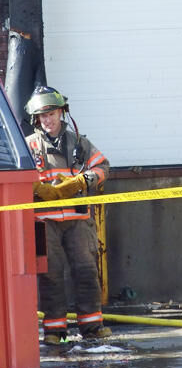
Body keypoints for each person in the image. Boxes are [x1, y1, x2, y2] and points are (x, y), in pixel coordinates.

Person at [24, 86, 111, 345]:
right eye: (42, 116)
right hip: (45, 222)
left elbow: (103, 166)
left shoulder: (79, 143)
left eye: (51, 113)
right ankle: (54, 331)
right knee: (50, 274)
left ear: (62, 112)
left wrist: (85, 180)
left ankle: (92, 326)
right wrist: (35, 188)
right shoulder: (29, 147)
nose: (48, 120)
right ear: (36, 119)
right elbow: (17, 176)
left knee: (86, 272)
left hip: (78, 221)